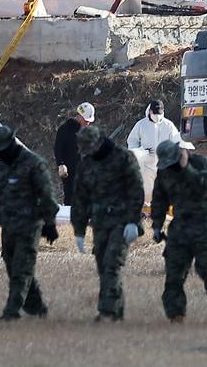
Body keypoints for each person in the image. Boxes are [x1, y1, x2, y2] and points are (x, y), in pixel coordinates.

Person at [0, 123, 60, 321]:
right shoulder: (1, 167)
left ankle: (12, 311)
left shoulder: (34, 164)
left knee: (22, 268)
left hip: (30, 225)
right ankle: (37, 308)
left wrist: (50, 224)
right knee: (12, 265)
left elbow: (47, 196)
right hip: (8, 225)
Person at [151, 139, 207, 324]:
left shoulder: (200, 163)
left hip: (204, 223)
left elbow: (204, 187)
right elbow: (159, 200)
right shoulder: (164, 172)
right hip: (180, 226)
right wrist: (157, 225)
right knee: (174, 274)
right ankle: (176, 317)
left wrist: (186, 168)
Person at [71, 125, 144, 322]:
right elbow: (80, 198)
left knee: (113, 264)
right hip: (100, 222)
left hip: (122, 221)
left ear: (99, 143)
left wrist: (133, 222)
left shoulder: (123, 158)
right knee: (103, 266)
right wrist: (78, 229)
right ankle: (117, 311)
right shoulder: (86, 164)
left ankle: (107, 311)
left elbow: (136, 191)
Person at [54, 102, 95, 205]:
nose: (88, 123)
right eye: (86, 120)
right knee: (71, 199)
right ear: (79, 117)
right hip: (70, 173)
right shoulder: (65, 130)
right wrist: (61, 164)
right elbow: (58, 148)